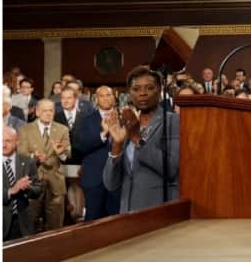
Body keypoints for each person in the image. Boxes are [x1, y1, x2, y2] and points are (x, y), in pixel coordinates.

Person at [102, 66, 180, 213]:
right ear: (130, 93)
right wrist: (117, 145)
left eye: (149, 88)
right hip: (128, 212)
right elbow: (110, 183)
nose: (142, 93)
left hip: (159, 210)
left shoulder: (173, 122)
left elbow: (171, 169)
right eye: (136, 89)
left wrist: (137, 138)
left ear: (159, 90)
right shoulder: (126, 124)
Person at [17, 99, 71, 231]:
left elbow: (67, 155)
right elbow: (21, 155)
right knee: (30, 223)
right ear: (37, 112)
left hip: (56, 184)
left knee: (56, 225)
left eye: (51, 110)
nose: (48, 113)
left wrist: (61, 153)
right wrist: (33, 158)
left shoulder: (62, 129)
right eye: (44, 110)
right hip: (33, 183)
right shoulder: (25, 130)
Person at [75, 85, 121, 221]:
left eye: (109, 95)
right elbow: (81, 146)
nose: (106, 99)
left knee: (117, 221)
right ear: (96, 99)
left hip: (119, 178)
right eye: (102, 96)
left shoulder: (124, 117)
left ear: (114, 97)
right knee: (93, 220)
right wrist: (103, 134)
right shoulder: (86, 119)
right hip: (94, 178)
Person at [3, 125, 43, 241]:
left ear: (17, 141)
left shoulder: (28, 162)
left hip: (23, 222)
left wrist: (27, 188)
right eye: (0, 141)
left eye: (8, 141)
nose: (3, 145)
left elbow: (38, 189)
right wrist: (12, 191)